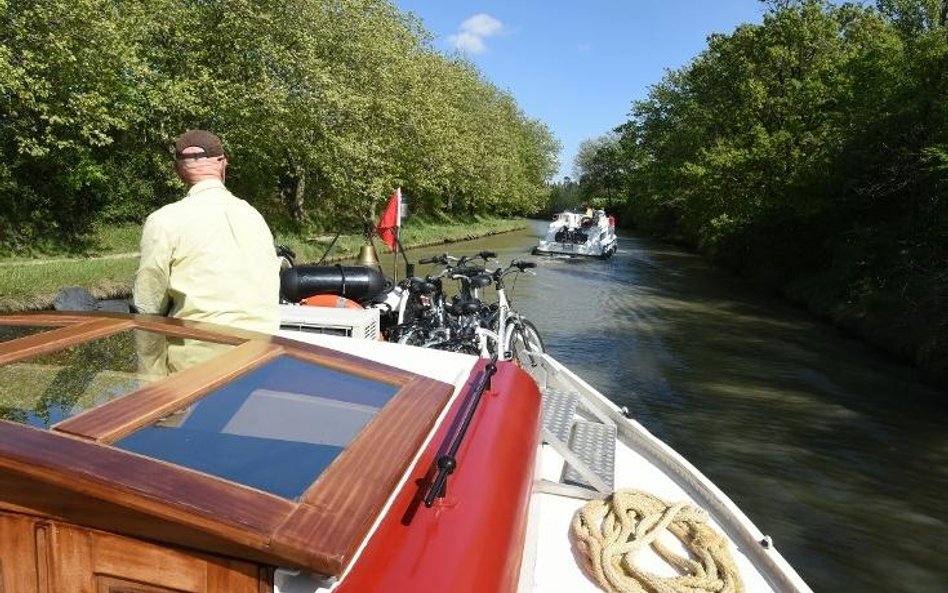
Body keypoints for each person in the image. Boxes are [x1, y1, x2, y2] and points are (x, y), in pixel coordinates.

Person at [133, 129, 280, 335]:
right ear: (222, 164)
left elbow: (148, 305)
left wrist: (150, 367)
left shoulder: (164, 220)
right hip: (262, 348)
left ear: (178, 170)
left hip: (200, 351)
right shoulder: (254, 216)